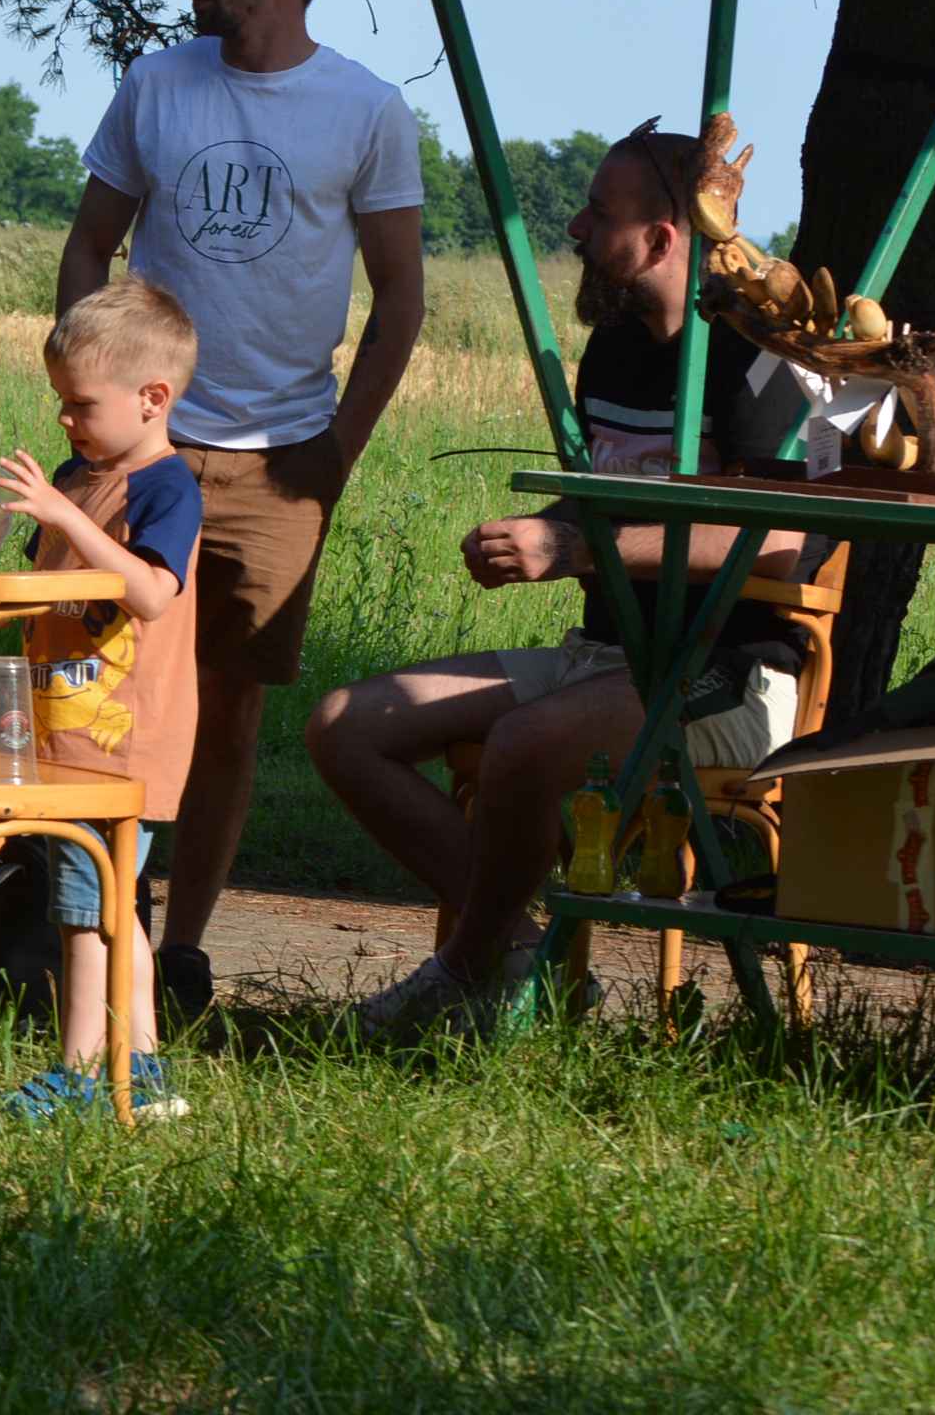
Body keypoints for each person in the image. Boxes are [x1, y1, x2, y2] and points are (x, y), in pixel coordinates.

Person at [309, 127, 817, 1037]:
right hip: (604, 654)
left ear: (665, 237)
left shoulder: (756, 361)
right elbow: (605, 516)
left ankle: (465, 973)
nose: (577, 228)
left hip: (728, 672)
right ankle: (519, 953)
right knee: (347, 726)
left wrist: (579, 551)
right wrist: (537, 540)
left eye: (600, 212)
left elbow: (775, 541)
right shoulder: (613, 355)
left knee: (522, 745)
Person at [56, 0, 426, 1016]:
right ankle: (73, 925)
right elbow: (89, 247)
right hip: (144, 454)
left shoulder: (365, 108)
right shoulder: (156, 84)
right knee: (83, 687)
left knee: (223, 712)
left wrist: (337, 449)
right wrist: (84, 397)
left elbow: (400, 297)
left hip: (281, 463)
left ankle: (175, 949)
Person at [0, 279, 203, 1119]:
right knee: (112, 910)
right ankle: (140, 1069)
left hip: (121, 749)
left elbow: (150, 593)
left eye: (79, 404)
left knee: (86, 915)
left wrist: (61, 515)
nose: (64, 422)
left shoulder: (163, 486)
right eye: (58, 402)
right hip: (65, 736)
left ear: (153, 399)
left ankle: (83, 1074)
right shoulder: (81, 479)